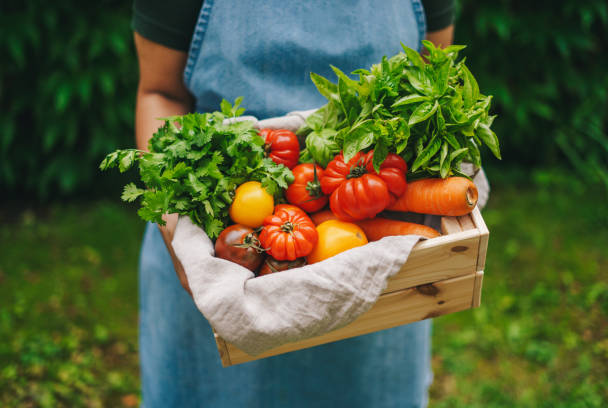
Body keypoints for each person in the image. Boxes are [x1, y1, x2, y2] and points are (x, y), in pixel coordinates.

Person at [133, 1, 455, 406]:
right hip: (223, 268)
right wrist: (173, 219)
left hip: (376, 288)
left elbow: (432, 78)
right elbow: (159, 92)